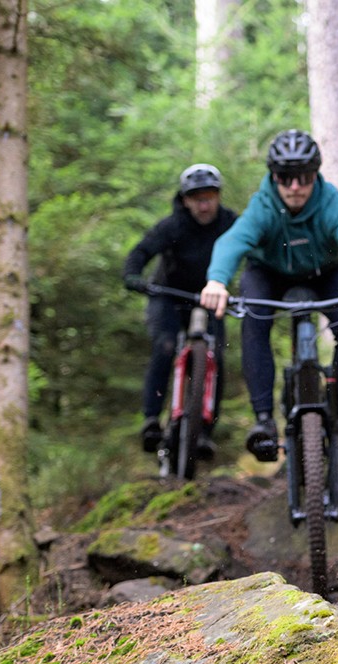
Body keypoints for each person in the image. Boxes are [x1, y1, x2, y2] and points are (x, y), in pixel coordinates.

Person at [199, 129, 338, 462]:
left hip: (325, 272)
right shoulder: (264, 205)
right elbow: (232, 242)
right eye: (286, 178)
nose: (295, 186)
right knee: (254, 326)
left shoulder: (328, 200)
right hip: (268, 273)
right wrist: (216, 280)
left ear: (314, 174)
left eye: (303, 177)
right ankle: (263, 421)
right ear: (274, 177)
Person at [124, 163, 239, 457]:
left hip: (210, 297)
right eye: (196, 198)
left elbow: (253, 250)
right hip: (169, 295)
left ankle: (204, 433)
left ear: (218, 196)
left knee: (216, 356)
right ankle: (152, 420)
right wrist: (133, 275)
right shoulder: (172, 226)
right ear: (185, 200)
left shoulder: (230, 223)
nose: (204, 204)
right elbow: (140, 252)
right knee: (164, 346)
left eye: (209, 196)